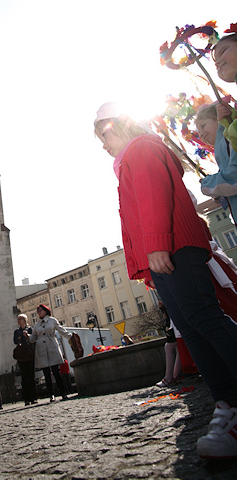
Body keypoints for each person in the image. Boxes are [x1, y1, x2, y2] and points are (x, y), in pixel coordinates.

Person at [94, 101, 237, 459]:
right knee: (192, 327)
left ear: (123, 126)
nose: (102, 143)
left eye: (104, 133)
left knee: (203, 319)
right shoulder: (133, 156)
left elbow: (153, 198)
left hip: (174, 245)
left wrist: (156, 246)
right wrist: (146, 263)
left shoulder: (142, 148)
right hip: (166, 251)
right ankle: (227, 404)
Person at [195, 103, 237, 223]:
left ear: (219, 118)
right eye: (199, 131)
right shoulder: (222, 146)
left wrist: (207, 185)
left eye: (203, 126)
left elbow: (234, 178)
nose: (201, 134)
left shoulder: (230, 138)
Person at [28, 304, 72, 403]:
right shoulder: (37, 324)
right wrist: (28, 336)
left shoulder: (52, 320)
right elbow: (33, 338)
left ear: (46, 311)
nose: (39, 312)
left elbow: (61, 330)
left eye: (41, 310)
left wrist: (71, 337)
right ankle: (51, 394)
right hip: (41, 350)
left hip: (52, 347)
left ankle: (63, 392)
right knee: (46, 374)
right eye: (38, 310)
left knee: (56, 372)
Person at [155, 302, 182, 389]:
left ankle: (170, 377)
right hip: (174, 320)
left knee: (169, 347)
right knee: (178, 348)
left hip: (174, 321)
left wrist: (163, 310)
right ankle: (175, 375)